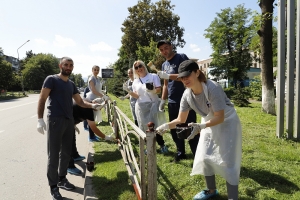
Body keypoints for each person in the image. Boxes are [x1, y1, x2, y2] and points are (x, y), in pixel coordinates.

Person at [156, 60, 242, 200]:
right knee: (204, 156)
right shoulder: (187, 95)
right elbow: (180, 120)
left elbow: (219, 117)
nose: (184, 80)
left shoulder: (213, 88)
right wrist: (165, 126)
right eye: (182, 77)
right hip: (207, 122)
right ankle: (211, 190)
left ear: (197, 72)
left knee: (228, 161)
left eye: (187, 76)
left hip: (227, 122)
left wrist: (201, 127)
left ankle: (233, 197)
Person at [36, 57, 105, 200]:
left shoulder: (71, 84)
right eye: (66, 65)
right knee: (54, 155)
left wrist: (92, 105)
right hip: (55, 120)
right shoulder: (52, 79)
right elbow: (42, 99)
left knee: (66, 153)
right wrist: (40, 119)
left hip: (69, 121)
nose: (68, 67)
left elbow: (80, 101)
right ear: (60, 65)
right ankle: (53, 187)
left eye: (71, 65)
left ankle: (62, 179)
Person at [156, 40, 199, 162]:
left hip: (186, 99)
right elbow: (165, 85)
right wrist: (162, 100)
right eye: (161, 50)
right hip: (172, 102)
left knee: (190, 127)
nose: (164, 51)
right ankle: (181, 152)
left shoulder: (181, 57)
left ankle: (197, 154)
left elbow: (187, 76)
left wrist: (169, 76)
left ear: (171, 47)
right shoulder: (164, 65)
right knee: (175, 129)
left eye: (166, 48)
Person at [123, 60, 168, 153]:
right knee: (145, 127)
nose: (139, 68)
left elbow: (159, 89)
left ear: (144, 66)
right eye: (136, 68)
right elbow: (137, 96)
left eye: (140, 66)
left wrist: (152, 91)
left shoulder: (153, 76)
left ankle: (162, 145)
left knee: (156, 126)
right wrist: (129, 91)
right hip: (141, 107)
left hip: (153, 105)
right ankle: (150, 147)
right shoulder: (135, 81)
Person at [68, 100, 115, 175]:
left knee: (72, 139)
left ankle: (75, 155)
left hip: (69, 119)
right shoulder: (89, 110)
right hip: (64, 120)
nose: (99, 110)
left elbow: (74, 110)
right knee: (67, 144)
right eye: (99, 109)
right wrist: (106, 137)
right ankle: (69, 166)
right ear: (95, 105)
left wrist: (73, 125)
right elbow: (94, 128)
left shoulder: (89, 103)